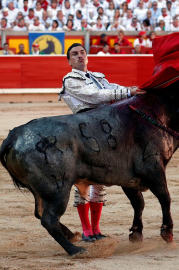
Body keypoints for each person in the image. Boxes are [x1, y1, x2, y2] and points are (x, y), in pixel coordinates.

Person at [60, 43, 144, 242]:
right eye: (75, 54)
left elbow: (112, 88)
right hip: (83, 131)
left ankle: (96, 229)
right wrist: (128, 93)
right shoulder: (70, 79)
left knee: (99, 183)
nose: (80, 56)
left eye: (82, 53)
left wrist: (132, 89)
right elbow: (94, 96)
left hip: (104, 130)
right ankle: (86, 229)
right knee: (83, 183)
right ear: (69, 60)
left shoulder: (98, 76)